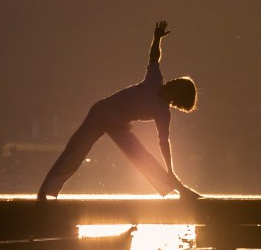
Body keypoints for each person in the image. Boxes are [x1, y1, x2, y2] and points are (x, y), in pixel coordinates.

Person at [37, 21, 201, 199]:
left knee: (142, 157)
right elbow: (154, 57)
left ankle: (177, 188)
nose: (172, 81)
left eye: (176, 83)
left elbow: (164, 143)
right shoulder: (155, 80)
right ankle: (46, 192)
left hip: (118, 124)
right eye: (175, 80)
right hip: (101, 113)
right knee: (76, 150)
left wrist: (170, 170)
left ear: (178, 95)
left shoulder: (163, 113)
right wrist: (157, 38)